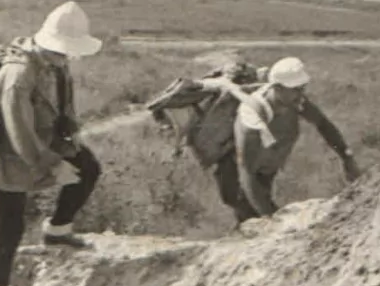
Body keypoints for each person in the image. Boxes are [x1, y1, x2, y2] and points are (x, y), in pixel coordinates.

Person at [0, 1, 104, 286]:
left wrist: (70, 133)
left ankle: (57, 230)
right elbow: (17, 129)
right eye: (64, 51)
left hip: (42, 141)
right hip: (6, 156)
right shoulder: (18, 73)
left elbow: (63, 102)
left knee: (88, 167)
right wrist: (50, 163)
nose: (67, 58)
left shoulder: (53, 63)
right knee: (11, 225)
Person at [147, 56, 358, 223]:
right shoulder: (252, 115)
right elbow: (246, 172)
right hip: (236, 163)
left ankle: (249, 232)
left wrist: (346, 158)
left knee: (254, 206)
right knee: (238, 201)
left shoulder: (297, 102)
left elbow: (323, 124)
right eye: (296, 90)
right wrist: (272, 220)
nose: (301, 95)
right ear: (277, 87)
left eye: (302, 89)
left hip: (267, 163)